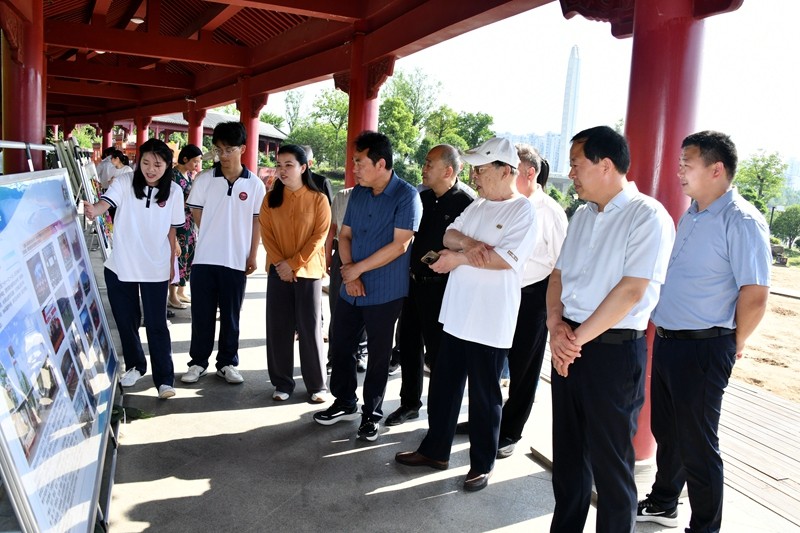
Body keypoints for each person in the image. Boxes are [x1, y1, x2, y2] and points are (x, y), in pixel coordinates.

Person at [637, 131, 771, 532]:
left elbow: (755, 295)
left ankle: (705, 527)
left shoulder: (741, 220)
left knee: (698, 445)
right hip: (671, 342)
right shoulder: (693, 213)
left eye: (687, 164)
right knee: (668, 433)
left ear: (716, 169)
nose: (679, 171)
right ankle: (664, 502)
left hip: (705, 347)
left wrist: (734, 343)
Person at [546, 126, 675, 532]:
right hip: (568, 343)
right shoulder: (582, 215)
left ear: (605, 165)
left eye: (576, 164)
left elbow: (632, 290)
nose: (571, 173)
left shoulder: (647, 215)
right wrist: (555, 326)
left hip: (612, 352)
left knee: (612, 467)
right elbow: (557, 276)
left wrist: (573, 341)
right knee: (569, 459)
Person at [395, 137, 537, 493]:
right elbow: (449, 234)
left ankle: (482, 464)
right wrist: (470, 245)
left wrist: (458, 257)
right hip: (457, 313)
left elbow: (505, 259)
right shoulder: (479, 205)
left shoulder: (523, 211)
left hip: (490, 319)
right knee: (444, 386)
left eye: (482, 170)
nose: (475, 177)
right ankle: (435, 450)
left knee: (485, 397)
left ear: (506, 171)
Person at [313, 131, 421, 442]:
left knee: (378, 356)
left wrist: (357, 270)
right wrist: (351, 274)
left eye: (360, 162)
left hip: (385, 291)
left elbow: (400, 245)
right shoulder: (358, 194)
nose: (354, 168)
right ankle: (345, 401)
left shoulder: (407, 196)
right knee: (341, 345)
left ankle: (371, 414)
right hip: (351, 286)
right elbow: (344, 235)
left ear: (381, 163)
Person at [83, 138, 185, 400]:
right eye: (146, 163)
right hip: (121, 265)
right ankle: (135, 366)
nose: (151, 169)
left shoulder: (174, 191)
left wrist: (172, 266)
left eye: (157, 165)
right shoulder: (125, 182)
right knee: (126, 321)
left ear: (168, 166)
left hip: (155, 267)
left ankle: (164, 379)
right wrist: (93, 210)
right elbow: (105, 203)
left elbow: (172, 231)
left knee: (156, 324)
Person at [386, 144, 476, 427]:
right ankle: (409, 403)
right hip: (413, 283)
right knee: (408, 345)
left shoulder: (467, 204)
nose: (423, 169)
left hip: (443, 289)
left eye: (429, 164)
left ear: (448, 171)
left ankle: (440, 418)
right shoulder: (421, 197)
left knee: (439, 355)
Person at [181, 121, 266, 385]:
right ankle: (198, 362)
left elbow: (257, 222)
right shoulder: (205, 179)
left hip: (236, 260)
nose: (224, 155)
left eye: (230, 150)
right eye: (219, 150)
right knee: (202, 314)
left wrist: (252, 255)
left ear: (242, 149)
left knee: (231, 315)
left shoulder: (255, 185)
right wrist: (213, 230)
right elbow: (196, 212)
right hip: (205, 258)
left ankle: (227, 363)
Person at [259, 144, 331, 402]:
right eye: (279, 165)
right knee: (278, 328)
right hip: (278, 271)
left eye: (288, 165)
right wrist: (282, 264)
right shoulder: (270, 199)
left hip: (308, 272)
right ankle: (282, 383)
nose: (282, 170)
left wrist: (294, 264)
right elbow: (266, 235)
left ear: (303, 167)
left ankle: (317, 385)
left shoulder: (318, 199)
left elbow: (319, 237)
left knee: (310, 329)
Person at [325, 187, 368, 373]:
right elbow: (332, 228)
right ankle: (334, 356)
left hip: (367, 257)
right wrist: (327, 256)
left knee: (364, 305)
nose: (358, 172)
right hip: (341, 256)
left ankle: (361, 353)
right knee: (337, 306)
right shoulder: (342, 196)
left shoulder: (380, 194)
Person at [168, 144, 203, 309]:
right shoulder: (172, 176)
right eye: (195, 161)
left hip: (189, 223)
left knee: (188, 256)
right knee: (177, 257)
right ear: (185, 159)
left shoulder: (188, 175)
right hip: (177, 223)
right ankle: (172, 295)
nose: (197, 165)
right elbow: (170, 202)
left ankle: (181, 291)